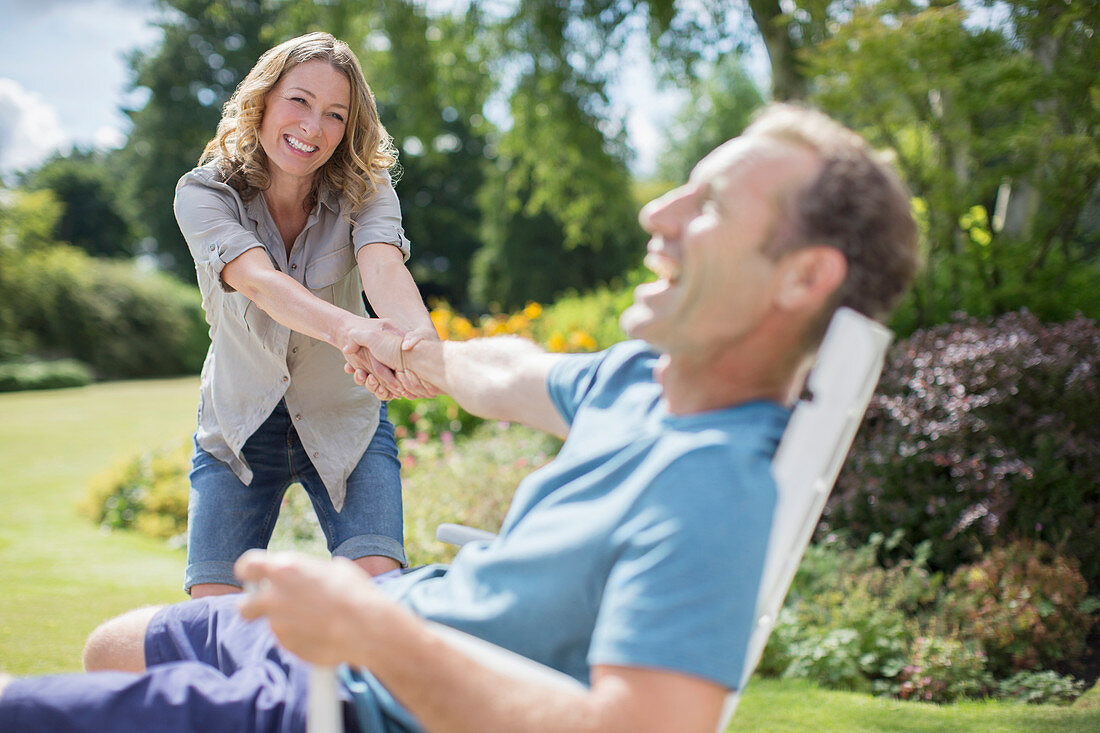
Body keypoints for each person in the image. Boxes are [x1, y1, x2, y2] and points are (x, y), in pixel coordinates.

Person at [0, 103, 919, 733]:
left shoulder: (716, 483)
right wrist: (409, 351)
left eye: (709, 203)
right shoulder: (643, 380)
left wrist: (365, 630)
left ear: (803, 277)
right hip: (382, 621)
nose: (657, 208)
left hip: (354, 691)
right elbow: (511, 369)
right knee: (113, 644)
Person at [171, 32, 438, 598]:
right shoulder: (204, 193)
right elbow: (259, 282)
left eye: (334, 114)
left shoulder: (367, 190)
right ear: (262, 100)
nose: (313, 127)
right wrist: (354, 332)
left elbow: (384, 269)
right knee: (213, 620)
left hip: (345, 418)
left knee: (380, 598)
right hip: (238, 427)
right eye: (299, 101)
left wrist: (419, 349)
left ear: (349, 128)